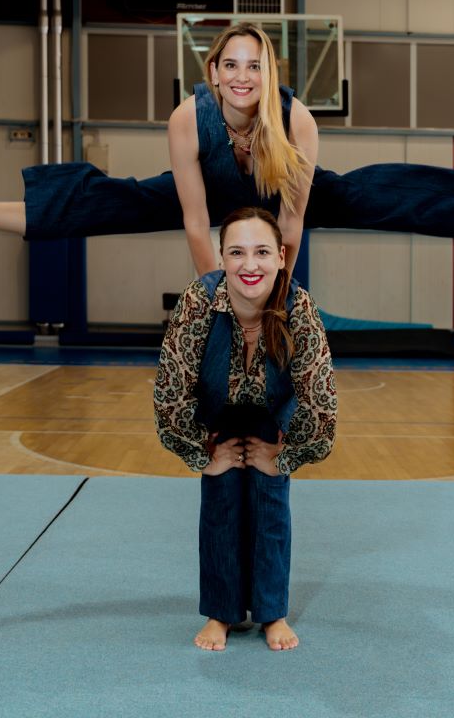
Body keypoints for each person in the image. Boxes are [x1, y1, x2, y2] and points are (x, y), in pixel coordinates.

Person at [0, 23, 454, 275]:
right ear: (212, 74)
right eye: (228, 64)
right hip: (209, 194)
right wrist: (217, 297)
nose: (240, 75)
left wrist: (278, 295)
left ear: (268, 74)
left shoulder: (296, 121)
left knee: (375, 195)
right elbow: (196, 223)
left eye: (252, 64)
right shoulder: (184, 119)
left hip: (280, 193)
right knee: (109, 201)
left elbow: (291, 224)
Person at [154, 206, 337, 652]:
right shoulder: (198, 302)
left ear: (280, 256)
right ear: (221, 258)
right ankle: (222, 613)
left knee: (270, 501)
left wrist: (283, 457)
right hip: (214, 410)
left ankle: (273, 612)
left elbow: (321, 401)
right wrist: (204, 456)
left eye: (260, 252)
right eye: (236, 252)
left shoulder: (299, 307)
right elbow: (170, 391)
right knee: (221, 500)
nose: (249, 265)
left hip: (274, 412)